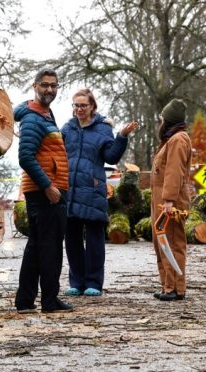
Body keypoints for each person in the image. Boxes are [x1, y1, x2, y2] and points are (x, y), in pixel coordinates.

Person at [60, 89, 138, 297]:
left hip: (93, 189)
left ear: (92, 106)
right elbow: (56, 152)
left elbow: (111, 157)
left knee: (95, 239)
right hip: (71, 190)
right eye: (76, 105)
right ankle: (76, 282)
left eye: (83, 105)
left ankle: (94, 282)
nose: (79, 109)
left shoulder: (103, 129)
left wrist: (121, 136)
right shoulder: (67, 128)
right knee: (72, 239)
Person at [14, 69, 72, 313]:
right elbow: (25, 157)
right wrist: (48, 187)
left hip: (46, 189)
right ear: (34, 86)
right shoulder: (33, 118)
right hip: (45, 191)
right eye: (45, 85)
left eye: (54, 86)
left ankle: (25, 301)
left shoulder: (46, 114)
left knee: (37, 246)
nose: (50, 89)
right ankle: (50, 300)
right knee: (50, 247)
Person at [150, 99, 191, 301]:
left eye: (163, 117)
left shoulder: (178, 140)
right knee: (161, 242)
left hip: (170, 201)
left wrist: (168, 200)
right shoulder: (170, 139)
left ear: (168, 119)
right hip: (162, 198)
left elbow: (174, 172)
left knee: (172, 242)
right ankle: (167, 285)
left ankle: (176, 288)